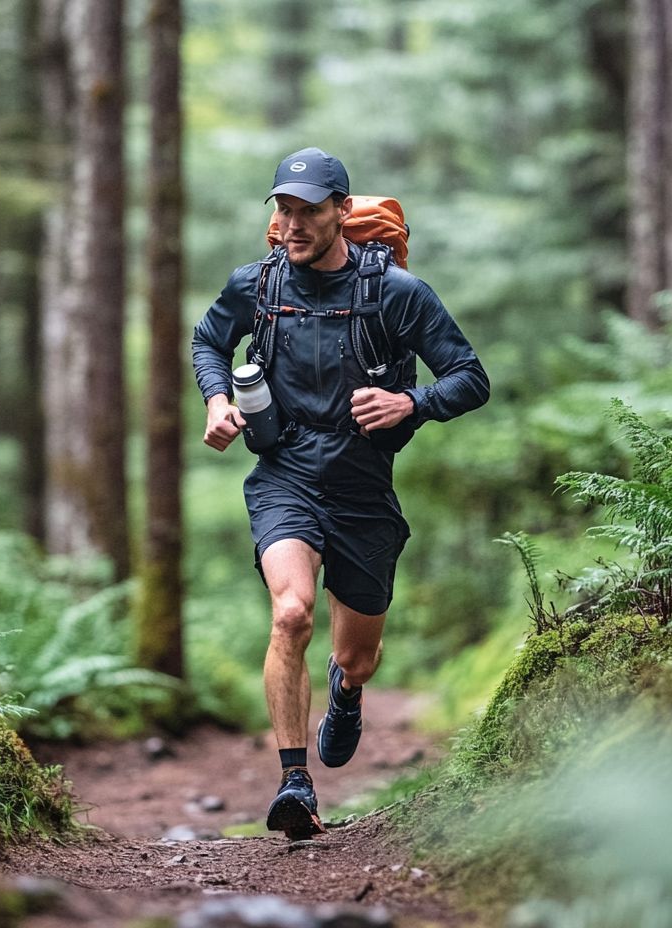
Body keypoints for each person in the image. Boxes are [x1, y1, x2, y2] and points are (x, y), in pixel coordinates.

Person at [191, 147, 489, 838]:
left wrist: (410, 404)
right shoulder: (257, 287)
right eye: (283, 211)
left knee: (358, 654)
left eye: (308, 211)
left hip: (361, 487)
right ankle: (295, 784)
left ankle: (346, 689)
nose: (293, 225)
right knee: (291, 613)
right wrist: (214, 399)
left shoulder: (395, 294)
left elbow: (471, 377)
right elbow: (208, 341)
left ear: (341, 213)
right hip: (285, 474)